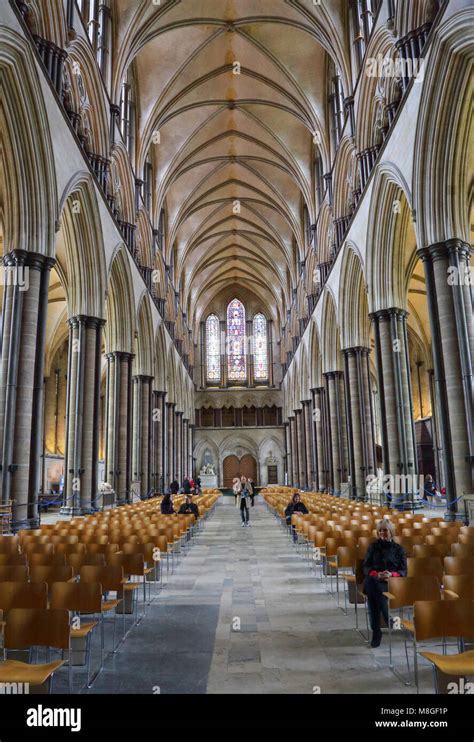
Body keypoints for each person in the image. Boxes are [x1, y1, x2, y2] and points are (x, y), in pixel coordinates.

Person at [363, 518, 407, 648]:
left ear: (391, 532)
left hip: (394, 582)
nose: (382, 533)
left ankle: (377, 631)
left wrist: (391, 575)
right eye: (380, 530)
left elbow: (403, 570)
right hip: (376, 580)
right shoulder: (373, 547)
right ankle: (387, 618)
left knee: (372, 592)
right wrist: (378, 574)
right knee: (372, 583)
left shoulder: (399, 549)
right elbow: (366, 567)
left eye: (385, 530)